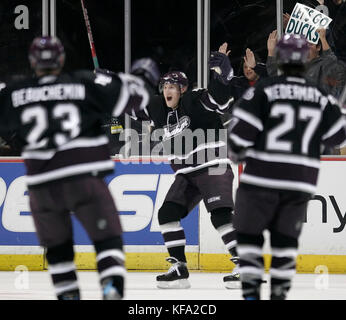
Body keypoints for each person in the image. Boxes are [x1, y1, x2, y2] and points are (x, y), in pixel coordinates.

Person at [0, 36, 159, 300]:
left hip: (42, 188)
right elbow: (137, 96)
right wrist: (140, 76)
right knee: (107, 240)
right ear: (61, 59)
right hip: (84, 179)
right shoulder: (84, 82)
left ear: (32, 61)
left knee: (59, 254)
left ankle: (68, 295)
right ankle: (110, 289)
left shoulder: (15, 92)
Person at [228, 33, 346, 300]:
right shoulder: (320, 95)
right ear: (305, 60)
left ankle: (251, 293)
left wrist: (237, 154)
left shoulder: (263, 90)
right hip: (299, 181)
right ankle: (279, 294)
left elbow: (239, 137)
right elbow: (339, 135)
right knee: (285, 242)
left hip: (261, 177)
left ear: (279, 59)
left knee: (248, 237)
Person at [136, 43, 239, 289]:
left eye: (172, 86)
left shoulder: (195, 99)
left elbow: (221, 100)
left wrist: (223, 73)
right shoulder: (159, 110)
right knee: (167, 213)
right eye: (164, 87)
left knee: (221, 215)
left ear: (183, 89)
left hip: (212, 165)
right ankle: (179, 268)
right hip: (186, 173)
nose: (167, 90)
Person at [267, 28, 346, 99]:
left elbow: (334, 68)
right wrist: (271, 52)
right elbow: (277, 79)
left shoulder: (324, 65)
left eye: (309, 44)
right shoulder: (295, 67)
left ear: (318, 47)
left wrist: (323, 39)